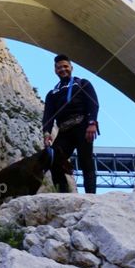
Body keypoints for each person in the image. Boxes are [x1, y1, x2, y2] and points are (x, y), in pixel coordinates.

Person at [42, 54, 99, 194]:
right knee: (53, 160)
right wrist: (47, 133)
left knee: (86, 160)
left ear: (71, 68)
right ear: (55, 70)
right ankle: (63, 194)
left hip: (83, 126)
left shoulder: (83, 83)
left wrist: (92, 123)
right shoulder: (52, 93)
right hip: (64, 130)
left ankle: (91, 195)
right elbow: (48, 115)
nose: (63, 69)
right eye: (59, 67)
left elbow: (93, 104)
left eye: (65, 66)